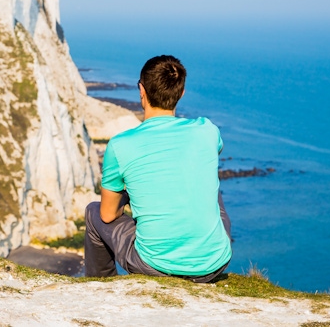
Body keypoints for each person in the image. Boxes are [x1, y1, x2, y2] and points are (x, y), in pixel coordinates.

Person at [84, 55, 232, 282]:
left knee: (93, 212)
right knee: (209, 183)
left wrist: (129, 193)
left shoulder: (121, 145)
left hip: (155, 266)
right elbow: (205, 159)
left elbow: (107, 214)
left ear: (141, 90)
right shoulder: (207, 130)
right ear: (181, 94)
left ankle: (101, 286)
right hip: (214, 265)